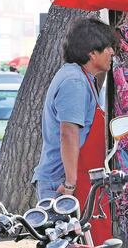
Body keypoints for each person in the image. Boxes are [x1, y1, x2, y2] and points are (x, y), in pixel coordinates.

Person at [33, 17, 118, 201]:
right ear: (92, 53)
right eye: (108, 47)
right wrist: (71, 183)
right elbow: (69, 133)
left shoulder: (82, 77)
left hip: (74, 177)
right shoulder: (75, 82)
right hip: (61, 183)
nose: (112, 52)